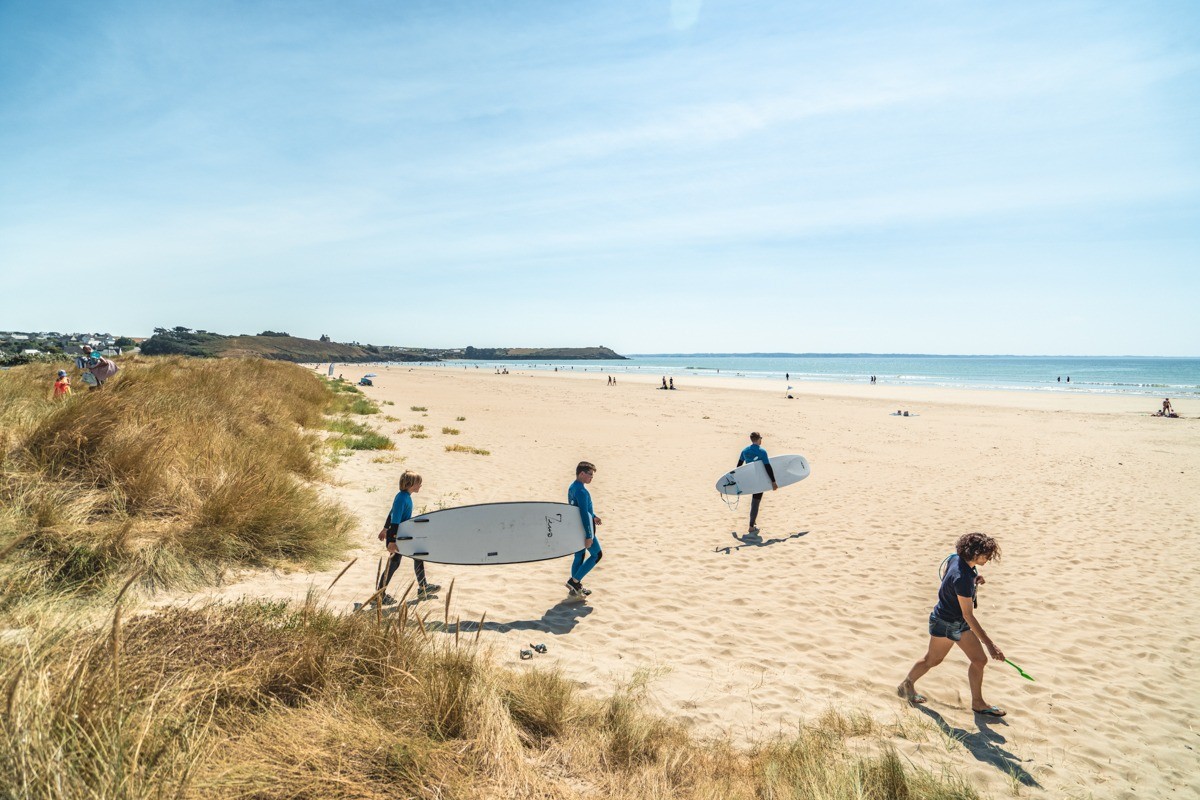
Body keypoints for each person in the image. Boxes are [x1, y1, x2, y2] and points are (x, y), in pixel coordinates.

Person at [898, 532, 1007, 717]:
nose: (988, 558)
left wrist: (975, 580)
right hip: (949, 623)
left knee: (959, 660)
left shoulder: (956, 559)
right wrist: (990, 645)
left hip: (947, 618)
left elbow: (951, 577)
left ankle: (906, 686)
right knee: (936, 660)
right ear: (973, 553)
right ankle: (906, 686)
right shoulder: (962, 578)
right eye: (985, 554)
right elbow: (968, 615)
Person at [377, 470, 440, 603]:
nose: (420, 486)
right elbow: (395, 520)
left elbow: (391, 513)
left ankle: (423, 587)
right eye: (419, 483)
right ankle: (379, 595)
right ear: (410, 484)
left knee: (417, 555)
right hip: (398, 535)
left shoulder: (404, 496)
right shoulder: (401, 498)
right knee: (394, 564)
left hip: (402, 534)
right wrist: (392, 540)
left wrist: (384, 528)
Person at [566, 461, 602, 597]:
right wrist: (588, 535)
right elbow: (582, 513)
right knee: (597, 555)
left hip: (575, 527)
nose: (591, 478)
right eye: (590, 475)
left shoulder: (572, 487)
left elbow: (579, 509)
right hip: (583, 529)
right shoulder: (581, 491)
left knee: (579, 556)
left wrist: (594, 516)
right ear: (582, 473)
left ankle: (575, 589)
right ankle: (574, 581)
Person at [737, 432, 777, 534]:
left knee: (754, 502)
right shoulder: (762, 452)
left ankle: (753, 522)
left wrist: (740, 480)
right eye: (761, 438)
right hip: (759, 481)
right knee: (756, 502)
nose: (761, 440)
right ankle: (751, 526)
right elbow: (767, 467)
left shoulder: (744, 451)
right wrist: (773, 481)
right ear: (758, 439)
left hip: (750, 480)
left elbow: (739, 466)